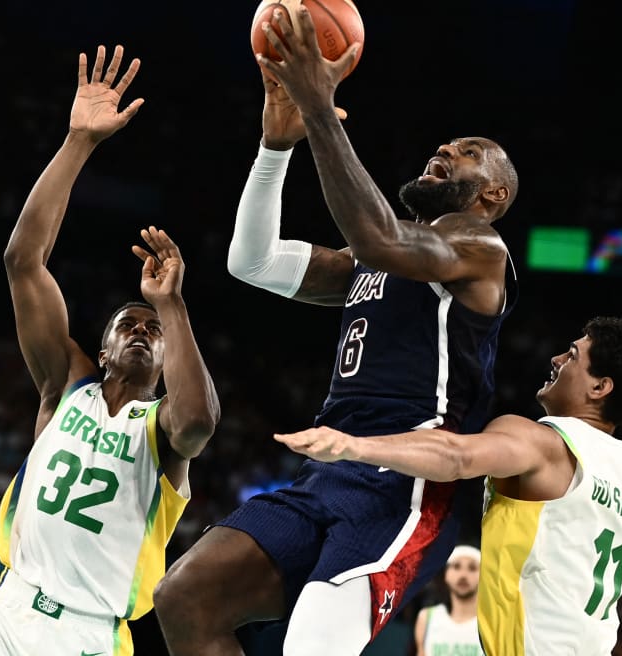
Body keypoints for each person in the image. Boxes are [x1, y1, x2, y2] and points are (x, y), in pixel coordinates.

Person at [152, 7, 519, 656]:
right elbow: (253, 262)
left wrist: (319, 107)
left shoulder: (478, 246)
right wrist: (274, 149)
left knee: (312, 648)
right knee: (186, 596)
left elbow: (376, 233)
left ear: (491, 197)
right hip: (326, 468)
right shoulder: (370, 261)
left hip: (403, 481)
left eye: (467, 156)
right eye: (444, 146)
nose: (444, 152)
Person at [0, 45, 220, 656]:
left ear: (166, 360)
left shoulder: (163, 430)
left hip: (85, 635)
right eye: (128, 323)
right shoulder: (66, 384)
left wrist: (170, 303)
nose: (141, 330)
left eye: (152, 330)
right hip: (0, 609)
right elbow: (22, 262)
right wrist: (79, 141)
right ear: (99, 349)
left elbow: (200, 422)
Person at [275, 316, 622, 655]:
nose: (558, 359)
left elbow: (456, 457)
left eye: (573, 356)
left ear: (600, 387)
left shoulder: (543, 443)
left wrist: (353, 445)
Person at [415, 545, 485, 656]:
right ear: (446, 574)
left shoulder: (490, 623)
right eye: (456, 566)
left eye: (472, 568)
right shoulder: (427, 618)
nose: (463, 575)